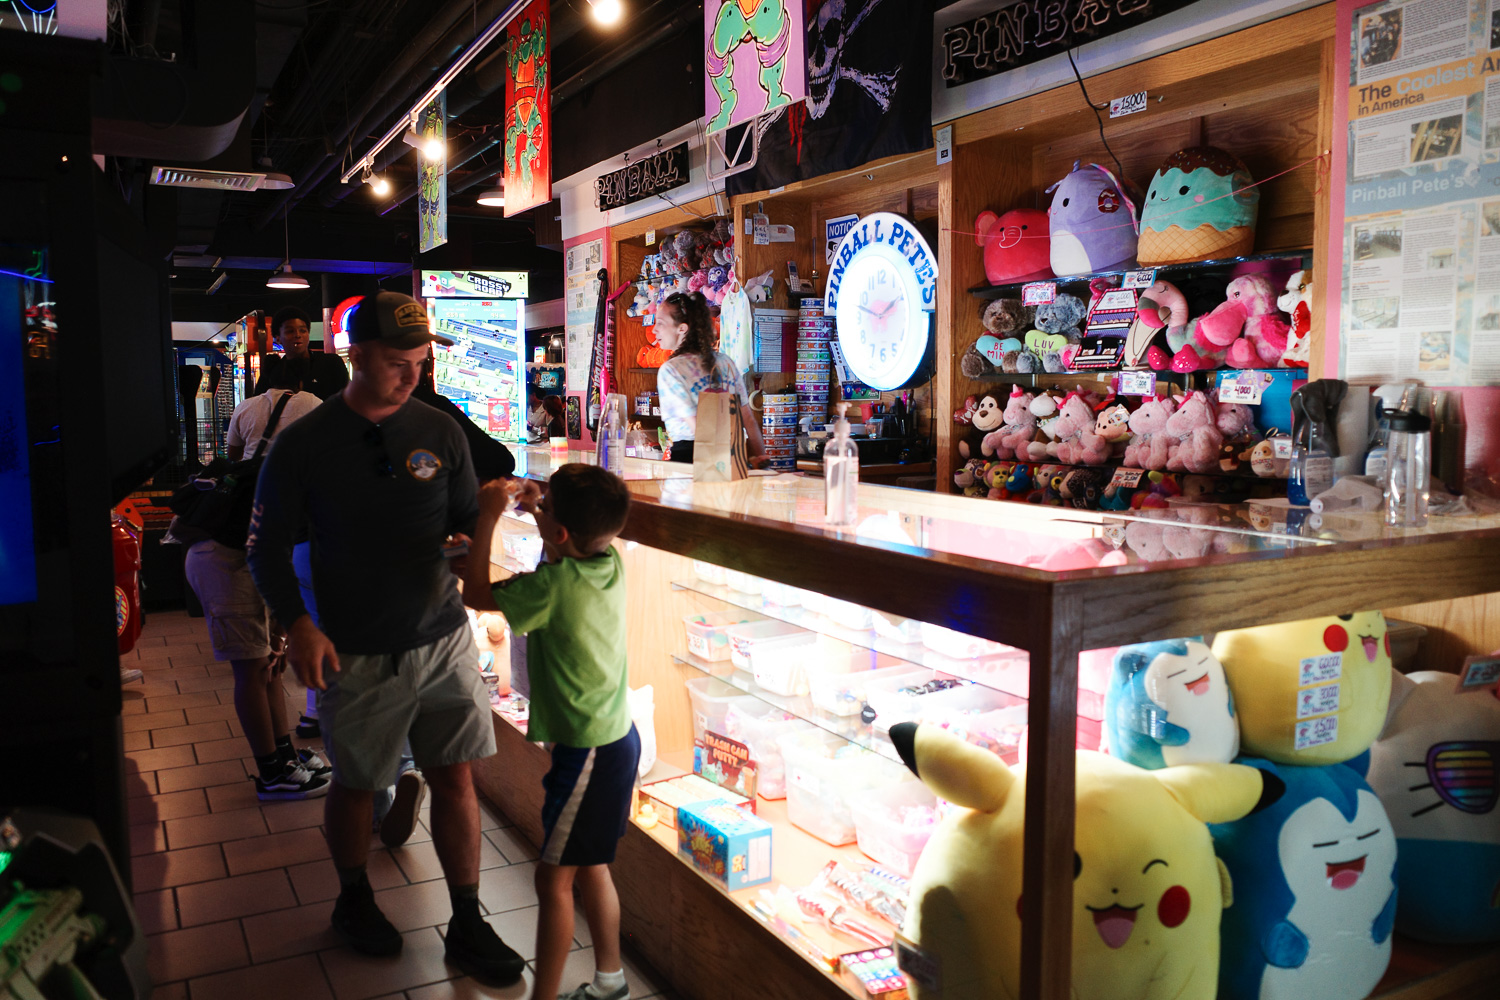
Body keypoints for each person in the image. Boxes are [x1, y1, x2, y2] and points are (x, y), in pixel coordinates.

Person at [246, 291, 524, 983]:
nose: (412, 376)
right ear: (356, 356)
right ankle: (353, 898)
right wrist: (300, 623)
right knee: (358, 783)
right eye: (399, 363)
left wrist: (476, 545)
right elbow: (265, 547)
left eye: (422, 361)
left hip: (441, 639)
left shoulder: (442, 430)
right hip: (355, 648)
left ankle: (465, 918)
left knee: (456, 779)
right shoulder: (302, 444)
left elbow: (462, 524)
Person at [463, 464, 637, 1000]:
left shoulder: (553, 585)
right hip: (614, 742)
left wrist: (488, 515)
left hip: (585, 753)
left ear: (559, 533)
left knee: (553, 879)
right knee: (591, 867)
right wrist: (542, 510)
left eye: (548, 508)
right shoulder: (610, 561)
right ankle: (610, 982)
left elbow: (475, 591)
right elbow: (563, 549)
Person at [183, 367, 328, 801]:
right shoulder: (301, 470)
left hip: (241, 560)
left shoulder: (255, 421)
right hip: (223, 562)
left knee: (269, 666)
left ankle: (284, 756)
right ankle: (272, 774)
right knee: (251, 669)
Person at [654, 291, 766, 465]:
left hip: (693, 459)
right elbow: (748, 419)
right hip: (731, 452)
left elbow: (698, 426)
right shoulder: (725, 362)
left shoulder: (671, 370)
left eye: (660, 323)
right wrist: (761, 458)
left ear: (682, 329)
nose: (654, 329)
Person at [411, 355, 516, 481]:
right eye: (398, 364)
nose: (409, 376)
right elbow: (500, 460)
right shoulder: (432, 405)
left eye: (418, 363)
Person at [254, 306, 350, 400]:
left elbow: (349, 400)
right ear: (277, 338)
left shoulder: (331, 363)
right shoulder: (274, 371)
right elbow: (259, 405)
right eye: (290, 331)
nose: (298, 335)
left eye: (303, 330)